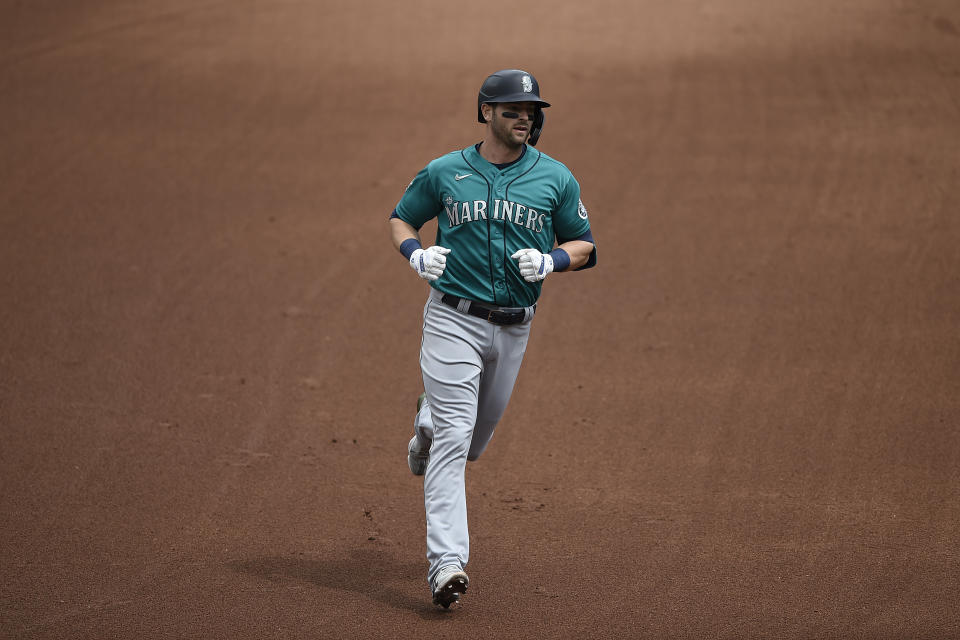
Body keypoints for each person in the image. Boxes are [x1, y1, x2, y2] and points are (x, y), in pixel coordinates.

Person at [388, 69, 597, 608]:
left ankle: (427, 419)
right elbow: (401, 219)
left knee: (471, 442)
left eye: (530, 111)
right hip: (452, 318)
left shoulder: (555, 178)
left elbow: (585, 247)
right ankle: (446, 565)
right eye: (512, 110)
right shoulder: (445, 171)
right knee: (457, 441)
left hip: (514, 328)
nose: (524, 117)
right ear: (486, 113)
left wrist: (552, 259)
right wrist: (417, 254)